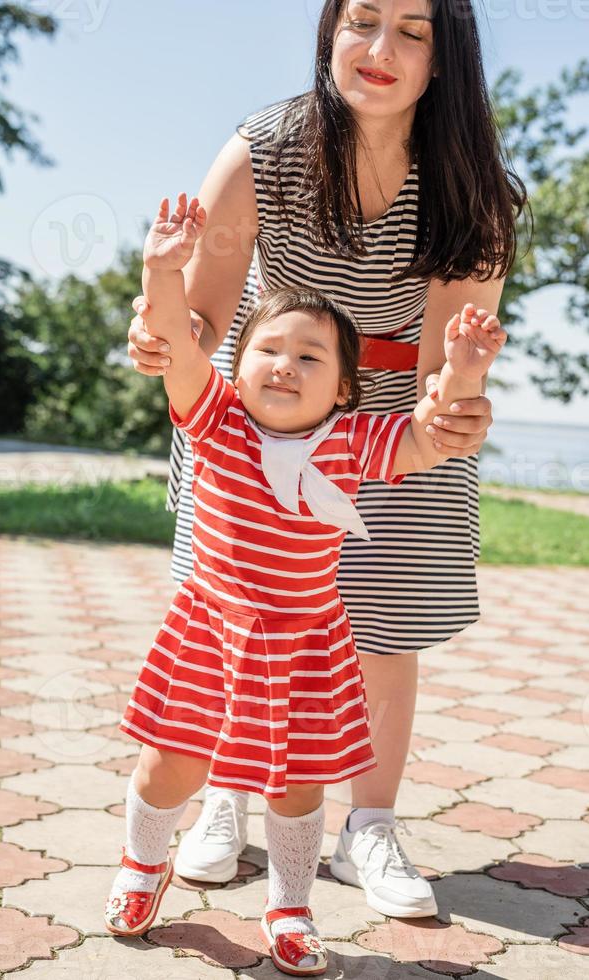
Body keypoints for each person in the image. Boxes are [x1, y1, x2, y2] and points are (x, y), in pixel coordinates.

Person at [127, 0, 526, 918]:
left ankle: (370, 829)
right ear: (329, 33)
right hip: (266, 405)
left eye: (412, 31)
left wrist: (452, 405)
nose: (380, 50)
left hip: (391, 417)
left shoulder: (474, 188)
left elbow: (446, 361)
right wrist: (165, 336)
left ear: (443, 56)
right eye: (361, 21)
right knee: (238, 613)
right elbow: (205, 310)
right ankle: (224, 796)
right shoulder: (265, 148)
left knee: (381, 629)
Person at [105, 193, 507, 977]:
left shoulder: (352, 442)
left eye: (311, 356)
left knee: (297, 785)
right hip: (209, 631)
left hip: (303, 640)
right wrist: (163, 269)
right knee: (170, 764)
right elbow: (176, 345)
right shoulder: (214, 418)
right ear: (241, 365)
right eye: (269, 350)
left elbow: (430, 435)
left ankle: (290, 909)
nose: (285, 364)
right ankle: (141, 869)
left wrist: (462, 371)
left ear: (344, 390)